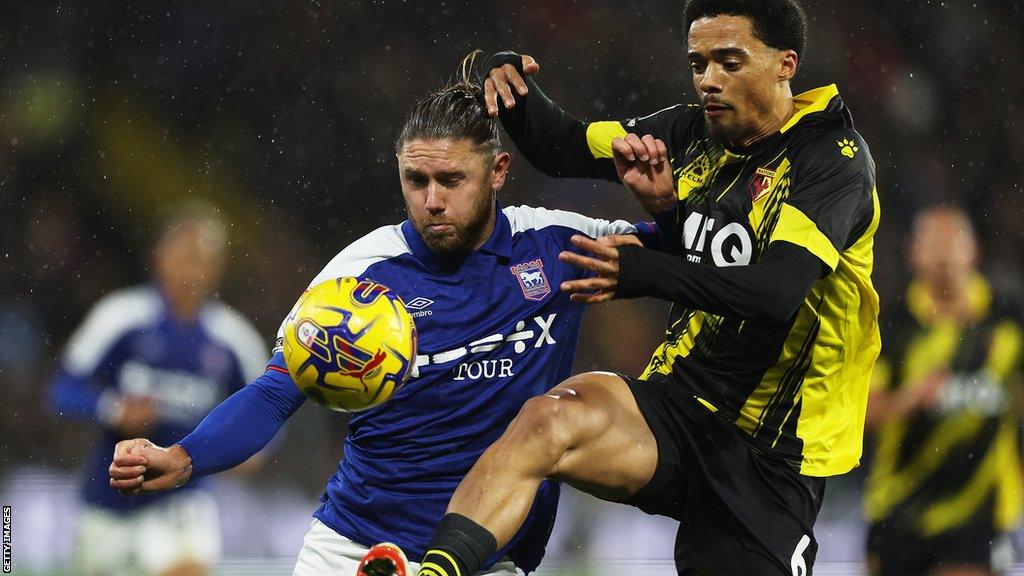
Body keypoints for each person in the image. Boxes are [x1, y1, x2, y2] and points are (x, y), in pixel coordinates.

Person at [107, 56, 660, 576]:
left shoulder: (557, 245)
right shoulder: (358, 275)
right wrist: (183, 459)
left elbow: (692, 253)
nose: (432, 201)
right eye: (416, 181)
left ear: (497, 171)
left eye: (451, 181)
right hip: (355, 546)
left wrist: (667, 206)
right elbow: (276, 392)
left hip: (486, 557)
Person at [403, 1, 881, 575]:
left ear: (786, 64)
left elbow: (773, 293)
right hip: (678, 405)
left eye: (729, 62)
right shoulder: (687, 133)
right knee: (547, 420)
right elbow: (564, 145)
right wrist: (513, 92)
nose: (708, 80)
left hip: (774, 452)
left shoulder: (831, 161)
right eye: (698, 63)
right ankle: (437, 569)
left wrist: (643, 273)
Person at [49, 206, 267, 576]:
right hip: (109, 498)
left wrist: (252, 448)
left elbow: (266, 409)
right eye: (184, 253)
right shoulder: (121, 316)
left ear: (218, 268)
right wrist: (113, 409)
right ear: (159, 255)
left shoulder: (234, 340)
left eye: (202, 258)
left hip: (182, 499)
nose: (192, 268)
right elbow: (62, 389)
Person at [863, 206, 1023, 576]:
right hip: (897, 510)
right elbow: (861, 415)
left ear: (974, 250)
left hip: (978, 518)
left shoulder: (1007, 318)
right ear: (913, 253)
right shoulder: (891, 323)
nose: (943, 255)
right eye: (933, 244)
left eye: (952, 243)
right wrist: (911, 399)